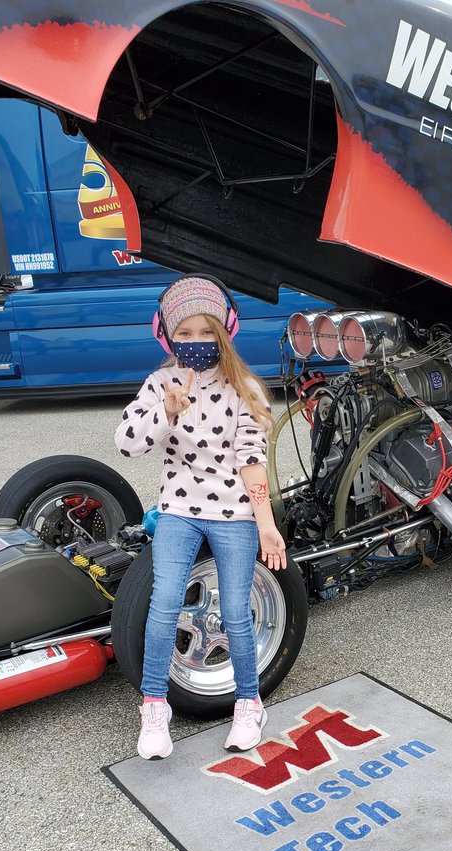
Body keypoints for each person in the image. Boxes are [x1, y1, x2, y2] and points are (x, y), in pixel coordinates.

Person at [114, 275, 287, 760]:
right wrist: (166, 413)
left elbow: (252, 458)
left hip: (234, 513)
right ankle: (154, 707)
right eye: (183, 334)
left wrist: (266, 524)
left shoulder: (244, 387)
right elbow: (127, 444)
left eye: (204, 332)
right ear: (166, 335)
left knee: (236, 612)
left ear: (224, 330)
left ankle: (249, 703)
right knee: (164, 604)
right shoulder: (160, 383)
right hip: (178, 510)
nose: (195, 343)